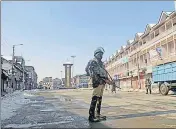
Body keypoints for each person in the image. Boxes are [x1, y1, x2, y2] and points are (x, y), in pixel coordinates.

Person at [85, 47, 113, 122]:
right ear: (96, 54)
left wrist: (107, 80)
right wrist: (94, 77)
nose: (101, 56)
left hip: (102, 83)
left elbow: (103, 72)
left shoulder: (101, 63)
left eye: (102, 54)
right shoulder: (93, 61)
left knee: (99, 98)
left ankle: (98, 114)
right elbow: (90, 71)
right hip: (97, 82)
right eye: (100, 54)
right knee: (95, 98)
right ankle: (91, 116)